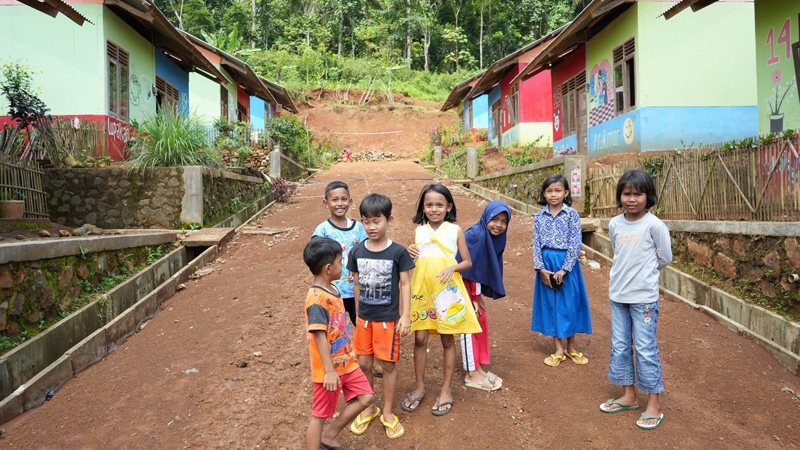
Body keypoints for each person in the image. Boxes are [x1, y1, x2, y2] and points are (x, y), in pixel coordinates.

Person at [599, 169, 672, 431]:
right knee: (619, 346)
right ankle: (629, 395)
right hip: (618, 295)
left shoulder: (654, 225)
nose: (632, 199)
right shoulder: (615, 224)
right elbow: (619, 253)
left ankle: (654, 403)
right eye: (626, 194)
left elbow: (664, 258)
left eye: (638, 194)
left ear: (648, 196)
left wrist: (644, 277)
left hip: (643, 299)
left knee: (645, 349)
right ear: (620, 196)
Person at [402, 184, 481, 417]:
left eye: (439, 205)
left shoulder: (455, 230)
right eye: (429, 205)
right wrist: (409, 253)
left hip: (446, 293)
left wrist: (454, 267)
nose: (434, 209)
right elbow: (416, 261)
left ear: (448, 207)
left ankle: (446, 390)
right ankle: (419, 386)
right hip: (423, 291)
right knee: (420, 338)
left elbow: (467, 262)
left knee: (447, 339)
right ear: (423, 207)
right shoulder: (419, 231)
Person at [347, 193, 415, 440]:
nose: (371, 227)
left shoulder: (398, 252)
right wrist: (357, 316)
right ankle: (370, 407)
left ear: (390, 220)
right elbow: (356, 284)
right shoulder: (356, 252)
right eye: (366, 221)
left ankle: (387, 411)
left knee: (387, 365)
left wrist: (405, 316)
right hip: (364, 319)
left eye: (377, 221)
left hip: (388, 320)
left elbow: (405, 284)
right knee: (364, 364)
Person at [302, 237, 374, 450]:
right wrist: (329, 371)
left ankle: (330, 435)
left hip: (347, 363)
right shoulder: (316, 298)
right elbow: (319, 335)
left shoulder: (332, 289)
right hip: (328, 370)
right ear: (328, 268)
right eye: (340, 261)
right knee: (319, 414)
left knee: (366, 397)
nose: (342, 265)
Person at [531, 174, 592, 367]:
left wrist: (564, 269)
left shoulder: (571, 214)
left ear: (566, 192)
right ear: (544, 193)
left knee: (569, 304)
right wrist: (540, 268)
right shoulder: (540, 216)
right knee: (552, 304)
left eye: (558, 190)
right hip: (547, 264)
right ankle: (558, 348)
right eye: (549, 191)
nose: (553, 194)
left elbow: (575, 242)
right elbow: (536, 243)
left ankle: (571, 347)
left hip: (567, 265)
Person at [460, 200, 512, 391]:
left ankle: (477, 366)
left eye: (503, 222)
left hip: (472, 287)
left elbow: (480, 270)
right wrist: (471, 298)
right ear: (486, 218)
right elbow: (469, 270)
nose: (498, 225)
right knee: (469, 324)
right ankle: (471, 373)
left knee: (480, 319)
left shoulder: (491, 237)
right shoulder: (476, 236)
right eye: (494, 219)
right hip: (460, 286)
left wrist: (477, 296)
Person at [312, 181, 368, 327]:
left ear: (350, 201)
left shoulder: (358, 229)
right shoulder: (322, 230)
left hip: (356, 289)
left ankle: (364, 350)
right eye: (334, 200)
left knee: (362, 325)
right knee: (336, 330)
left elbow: (367, 251)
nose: (340, 203)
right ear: (326, 203)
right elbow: (315, 255)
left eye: (344, 199)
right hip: (332, 290)